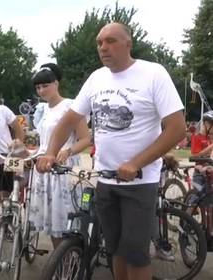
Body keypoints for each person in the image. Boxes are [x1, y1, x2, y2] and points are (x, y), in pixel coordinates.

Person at [37, 22, 186, 280]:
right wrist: (50, 151)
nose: (103, 47)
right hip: (105, 180)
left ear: (128, 43)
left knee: (136, 254)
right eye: (99, 42)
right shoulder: (96, 78)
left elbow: (176, 129)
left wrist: (136, 163)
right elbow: (69, 121)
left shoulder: (153, 73)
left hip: (139, 182)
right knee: (115, 248)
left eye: (111, 41)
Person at [29, 63, 91, 248]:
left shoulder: (71, 107)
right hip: (43, 168)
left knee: (66, 220)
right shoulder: (41, 111)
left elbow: (86, 139)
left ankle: (72, 261)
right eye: (38, 87)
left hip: (63, 169)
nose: (41, 90)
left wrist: (68, 150)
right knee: (52, 222)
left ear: (56, 83)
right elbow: (43, 141)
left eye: (45, 85)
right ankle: (59, 263)